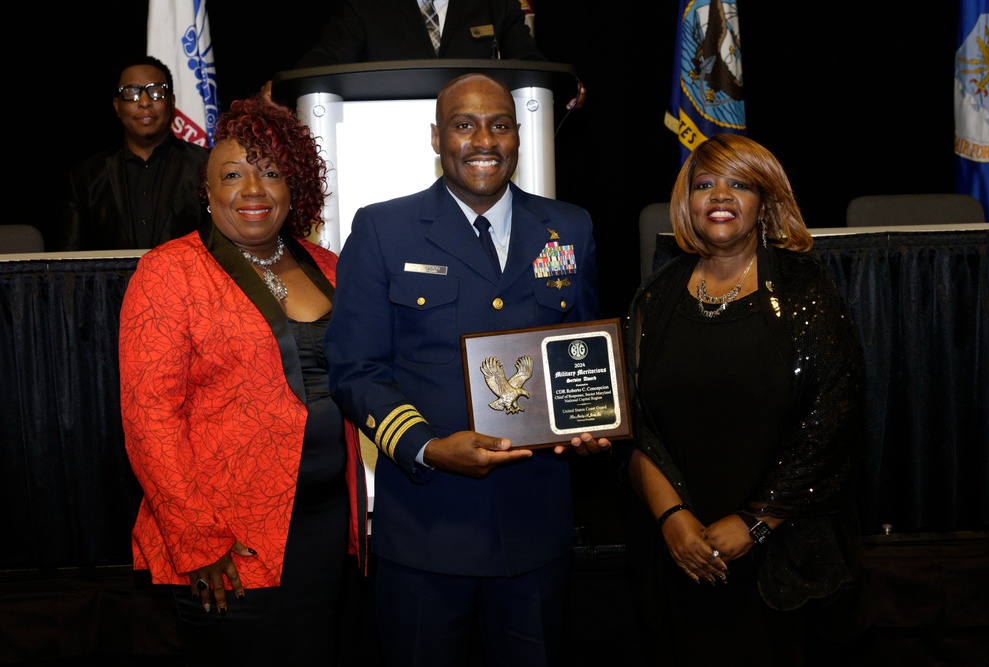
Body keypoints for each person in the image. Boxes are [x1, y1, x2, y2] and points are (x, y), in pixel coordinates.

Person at [324, 72, 608, 666]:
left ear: (518, 136)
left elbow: (580, 353)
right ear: (436, 137)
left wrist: (590, 422)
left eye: (499, 125)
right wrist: (427, 447)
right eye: (464, 125)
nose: (484, 139)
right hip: (429, 530)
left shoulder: (569, 227)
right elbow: (356, 370)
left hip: (536, 530)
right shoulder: (383, 230)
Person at [118, 95, 367, 666]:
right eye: (232, 174)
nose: (253, 189)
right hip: (229, 541)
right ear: (207, 191)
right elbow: (147, 418)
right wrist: (197, 541)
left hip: (327, 527)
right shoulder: (168, 272)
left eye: (272, 172)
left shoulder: (328, 266)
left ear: (294, 186)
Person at [622, 133, 871, 666]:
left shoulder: (808, 293)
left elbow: (834, 424)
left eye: (739, 184)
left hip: (783, 553)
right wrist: (672, 518)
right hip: (678, 554)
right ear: (686, 202)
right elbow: (636, 426)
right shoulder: (654, 298)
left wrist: (757, 522)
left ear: (766, 202)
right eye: (705, 184)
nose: (720, 196)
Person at [261, 0, 586, 110]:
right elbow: (327, 58)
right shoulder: (364, 6)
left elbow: (527, 59)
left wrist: (561, 86)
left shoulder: (494, 3)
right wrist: (286, 88)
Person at [50, 55, 209, 251]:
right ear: (117, 106)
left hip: (187, 281)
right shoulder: (86, 177)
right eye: (132, 92)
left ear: (172, 101)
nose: (144, 102)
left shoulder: (206, 166)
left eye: (156, 92)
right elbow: (68, 262)